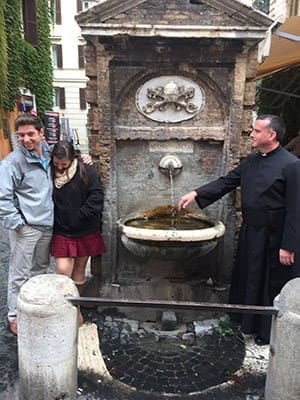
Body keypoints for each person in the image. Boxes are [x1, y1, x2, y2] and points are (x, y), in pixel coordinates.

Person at [178, 114, 300, 345]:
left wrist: (289, 245)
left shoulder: (292, 165)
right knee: (249, 278)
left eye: (256, 130)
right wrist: (196, 193)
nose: (251, 134)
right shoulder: (251, 161)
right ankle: (246, 323)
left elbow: (296, 209)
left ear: (271, 135)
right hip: (250, 231)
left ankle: (266, 332)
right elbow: (226, 182)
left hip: (275, 237)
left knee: (268, 283)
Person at [0, 113, 91, 335]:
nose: (25, 139)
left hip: (48, 225)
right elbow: (3, 197)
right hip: (27, 228)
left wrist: (84, 157)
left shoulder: (49, 154)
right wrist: (19, 223)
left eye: (30, 134)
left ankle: (35, 305)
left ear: (41, 133)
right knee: (19, 273)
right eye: (21, 135)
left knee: (40, 270)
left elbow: (67, 156)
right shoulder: (13, 162)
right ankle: (15, 315)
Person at [50, 141, 106, 303]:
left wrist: (79, 216)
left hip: (84, 229)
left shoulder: (86, 171)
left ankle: (76, 308)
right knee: (62, 270)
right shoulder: (49, 170)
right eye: (57, 164)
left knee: (79, 271)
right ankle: (63, 307)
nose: (60, 168)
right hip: (61, 229)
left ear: (72, 159)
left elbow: (96, 196)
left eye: (64, 164)